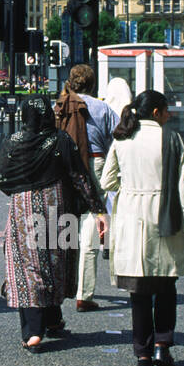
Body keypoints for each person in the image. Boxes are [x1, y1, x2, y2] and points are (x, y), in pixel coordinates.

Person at [101, 90, 184, 366]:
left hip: (133, 219)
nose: (169, 115)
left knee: (139, 292)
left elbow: (107, 179)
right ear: (156, 112)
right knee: (166, 286)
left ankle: (143, 356)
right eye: (166, 110)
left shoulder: (123, 139)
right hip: (165, 216)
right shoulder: (170, 138)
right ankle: (162, 346)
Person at [0, 95, 106, 354]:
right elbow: (80, 177)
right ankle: (53, 319)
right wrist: (97, 209)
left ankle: (33, 331)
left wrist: (19, 191)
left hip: (22, 208)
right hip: (57, 206)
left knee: (27, 266)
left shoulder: (12, 142)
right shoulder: (60, 140)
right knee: (54, 263)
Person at [55, 65, 118, 313]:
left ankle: (61, 286)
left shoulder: (60, 105)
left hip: (67, 165)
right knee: (96, 219)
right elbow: (119, 136)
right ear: (92, 84)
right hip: (96, 162)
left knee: (65, 224)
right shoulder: (102, 108)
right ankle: (85, 293)